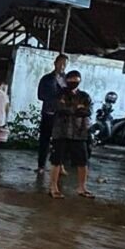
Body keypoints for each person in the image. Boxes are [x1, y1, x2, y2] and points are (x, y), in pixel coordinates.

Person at [48, 70, 94, 199]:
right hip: (61, 132)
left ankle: (82, 187)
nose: (73, 81)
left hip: (79, 133)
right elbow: (60, 108)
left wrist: (72, 109)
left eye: (76, 79)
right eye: (71, 79)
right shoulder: (60, 93)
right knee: (56, 160)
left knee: (83, 161)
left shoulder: (84, 96)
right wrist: (77, 108)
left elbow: (88, 111)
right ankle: (53, 187)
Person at [36, 54, 68, 174]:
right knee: (44, 140)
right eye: (60, 63)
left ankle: (59, 165)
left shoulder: (67, 80)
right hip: (48, 112)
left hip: (61, 115)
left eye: (65, 64)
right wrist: (55, 99)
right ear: (55, 63)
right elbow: (40, 95)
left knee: (60, 142)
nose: (62, 66)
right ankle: (41, 166)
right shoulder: (46, 79)